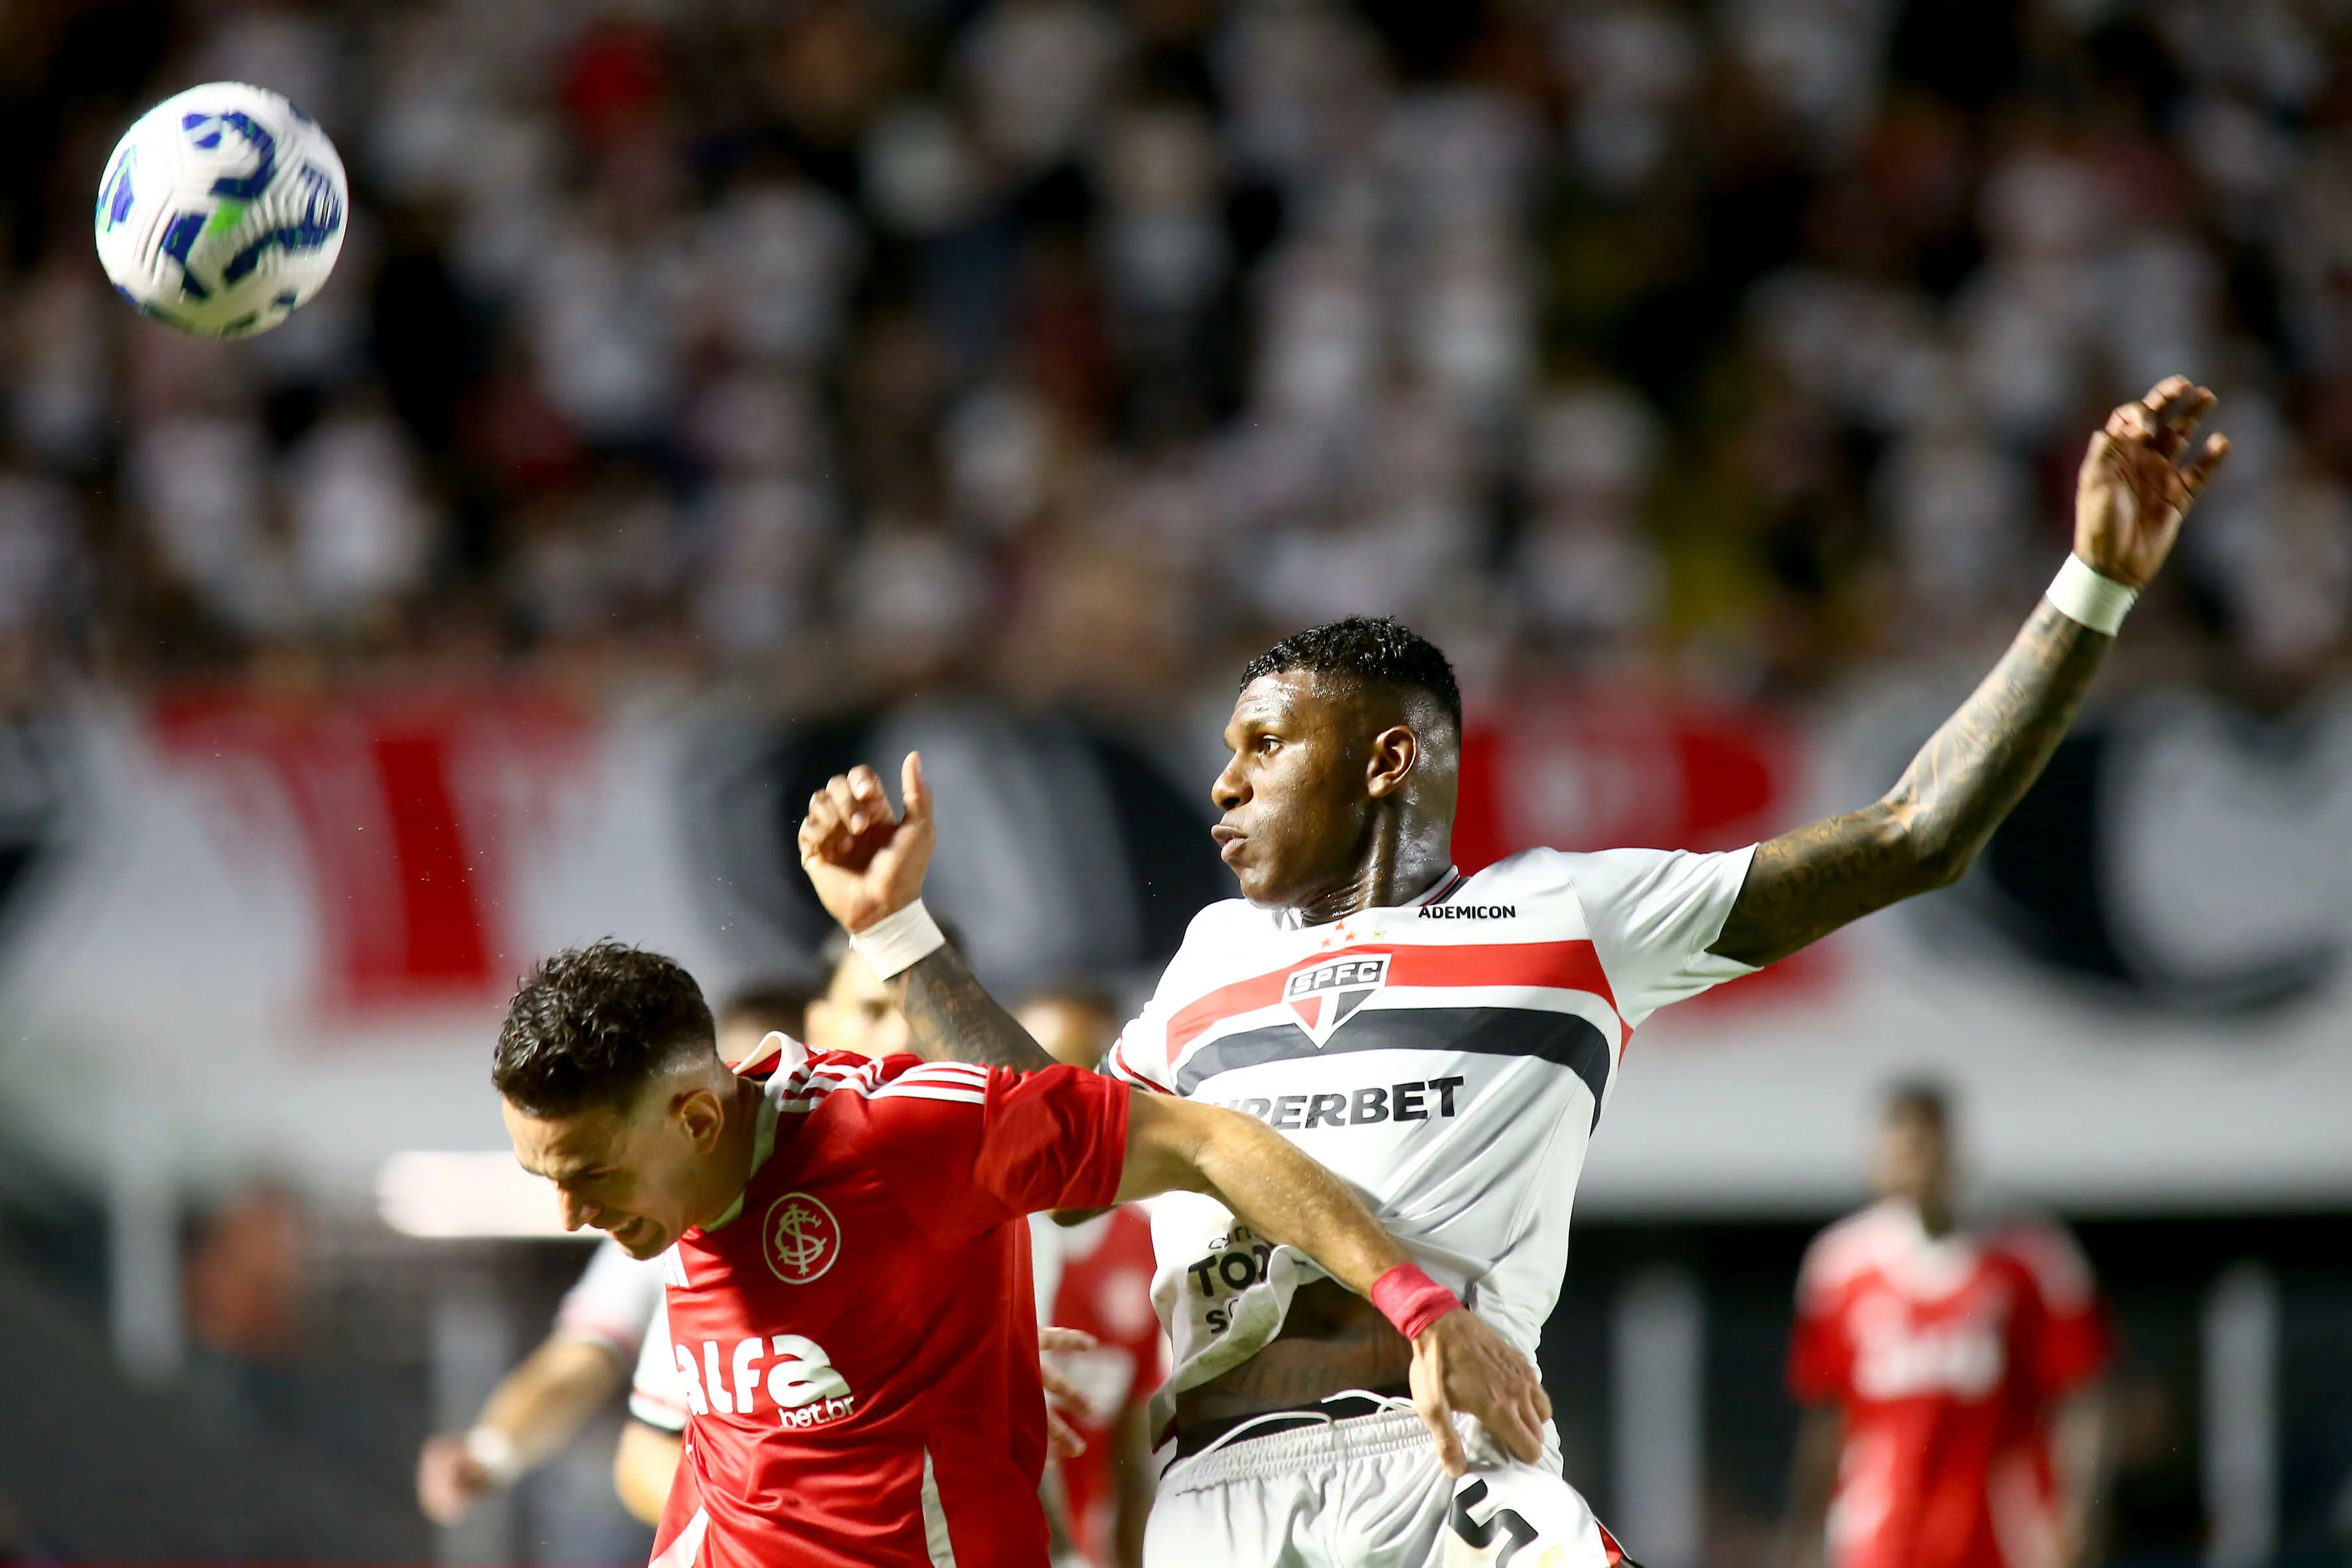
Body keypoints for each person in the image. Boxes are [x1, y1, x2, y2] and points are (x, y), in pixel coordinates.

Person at [792, 378, 2225, 1568]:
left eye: (1259, 747)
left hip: (1440, 1468)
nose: (1220, 786)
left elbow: (1917, 833)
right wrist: (899, 931)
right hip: (1214, 1496)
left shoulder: (1570, 915)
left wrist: (2094, 580)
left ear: (1385, 758)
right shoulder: (1210, 961)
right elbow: (1061, 1143)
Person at [489, 941, 1547, 1568]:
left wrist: (1419, 1308)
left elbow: (1207, 1140)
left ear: (694, 1117)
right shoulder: (666, 1207)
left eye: (590, 1172)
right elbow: (687, 1451)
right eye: (548, 1177)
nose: (573, 1213)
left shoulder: (901, 1136)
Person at [420, 983, 813, 1527]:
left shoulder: (882, 1182)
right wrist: (491, 1451)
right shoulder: (669, 1225)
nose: (742, 1101)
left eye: (765, 1086)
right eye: (735, 1078)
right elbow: (593, 1374)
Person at [1778, 1084, 2113, 1568]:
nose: (1915, 1163)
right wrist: (1802, 1533)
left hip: (1999, 1530)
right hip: (1880, 1530)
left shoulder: (2029, 1257)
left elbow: (2083, 1395)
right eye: (1901, 1146)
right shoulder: (1840, 1266)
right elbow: (1827, 1416)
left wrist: (2078, 1514)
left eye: (1925, 1145)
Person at [1020, 986, 1163, 1568]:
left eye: (1066, 1074)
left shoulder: (1149, 1239)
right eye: (1021, 1075)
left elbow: (1132, 1445)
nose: (1041, 1100)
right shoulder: (981, 1230)